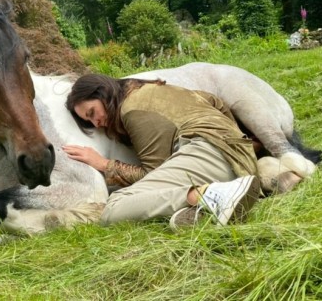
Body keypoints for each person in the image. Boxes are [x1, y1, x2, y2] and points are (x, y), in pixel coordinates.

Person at [62, 74, 260, 230]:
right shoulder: (153, 89)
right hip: (235, 157)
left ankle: (210, 196)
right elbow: (216, 102)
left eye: (92, 112)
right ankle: (201, 211)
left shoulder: (133, 109)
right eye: (89, 121)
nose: (96, 123)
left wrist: (104, 164)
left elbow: (152, 173)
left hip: (209, 153)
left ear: (103, 93)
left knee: (113, 207)